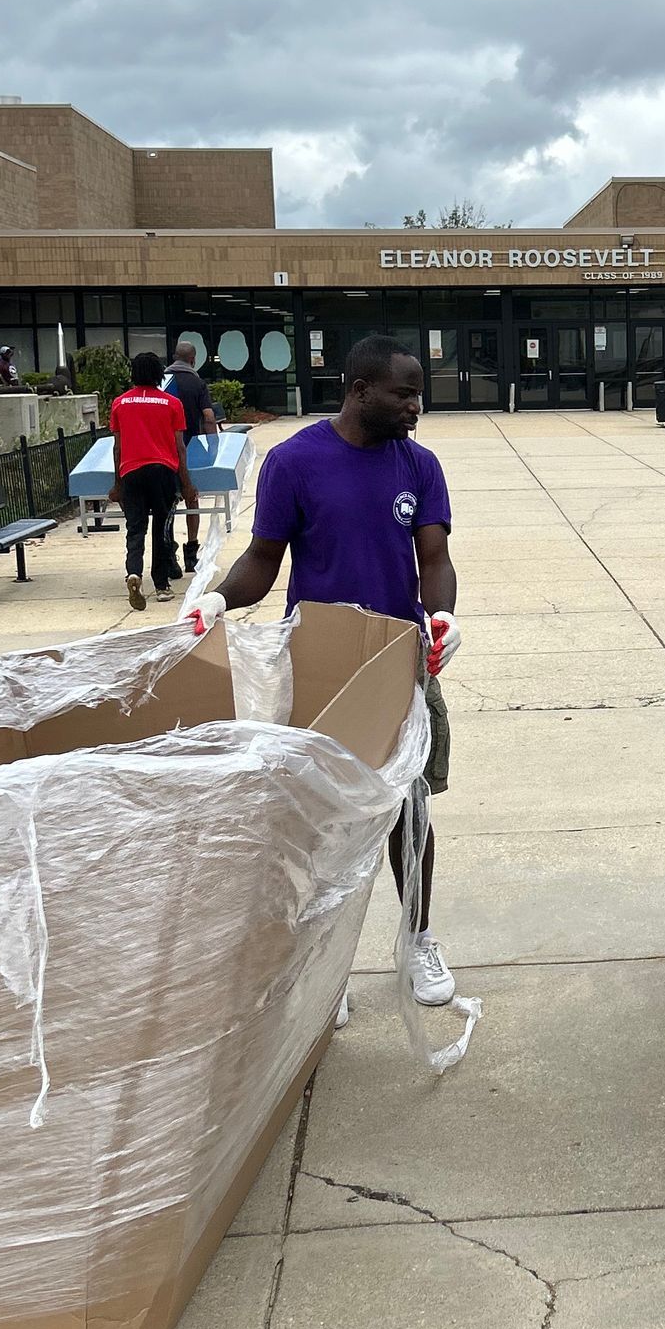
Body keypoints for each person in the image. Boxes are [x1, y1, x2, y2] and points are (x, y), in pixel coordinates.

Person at [214, 336, 461, 1009]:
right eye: (404, 394)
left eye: (418, 394)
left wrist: (442, 615)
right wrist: (219, 600)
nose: (416, 407)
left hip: (399, 661)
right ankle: (327, 963)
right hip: (320, 664)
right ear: (359, 390)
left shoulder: (419, 465)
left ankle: (417, 939)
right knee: (321, 819)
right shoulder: (295, 462)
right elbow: (263, 558)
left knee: (410, 809)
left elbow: (434, 558)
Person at [108, 351, 195, 610]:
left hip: (131, 472)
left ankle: (134, 572)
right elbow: (180, 448)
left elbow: (117, 448)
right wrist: (187, 484)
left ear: (133, 374)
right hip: (163, 472)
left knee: (135, 528)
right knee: (161, 528)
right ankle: (161, 585)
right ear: (159, 374)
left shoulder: (120, 403)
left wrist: (117, 484)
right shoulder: (172, 403)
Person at [162, 339, 220, 575]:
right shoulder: (197, 383)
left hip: (163, 450)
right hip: (191, 447)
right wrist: (214, 447)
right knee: (191, 498)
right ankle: (191, 551)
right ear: (193, 360)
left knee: (166, 503)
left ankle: (168, 551)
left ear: (174, 356)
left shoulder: (162, 381)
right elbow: (208, 417)